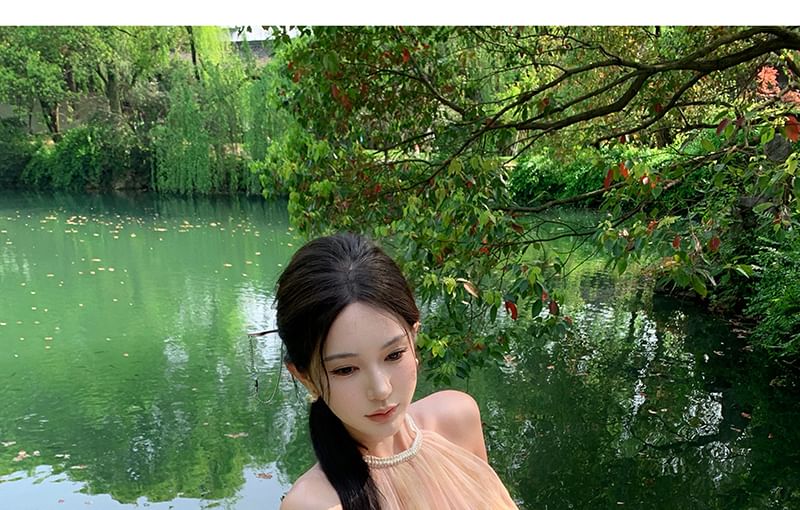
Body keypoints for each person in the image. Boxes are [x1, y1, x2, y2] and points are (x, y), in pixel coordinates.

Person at [276, 232, 518, 510]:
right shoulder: (313, 503)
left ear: (414, 339)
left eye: (393, 355)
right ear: (304, 377)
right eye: (345, 369)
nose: (381, 390)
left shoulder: (458, 419)